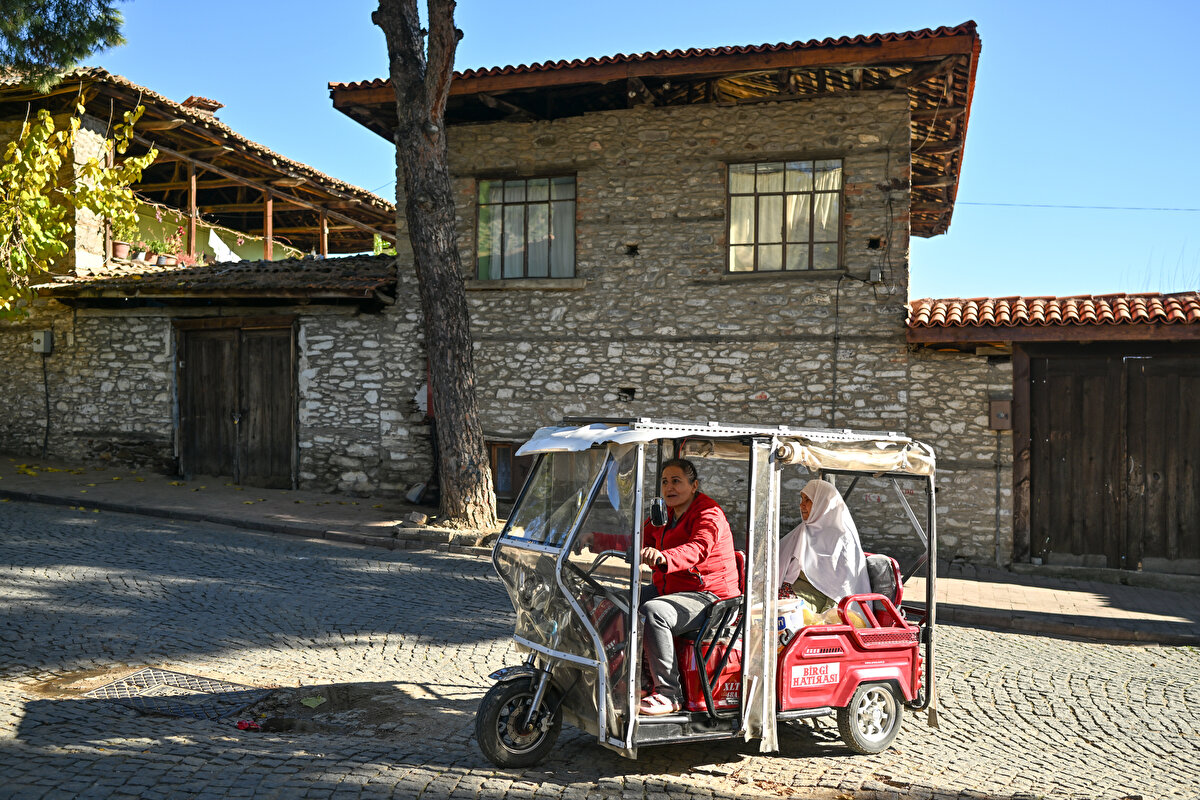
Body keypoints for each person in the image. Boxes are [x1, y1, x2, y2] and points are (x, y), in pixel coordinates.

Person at [585, 458, 739, 716]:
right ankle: (629, 678)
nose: (669, 487)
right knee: (611, 599)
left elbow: (698, 548)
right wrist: (594, 539)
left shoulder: (709, 513)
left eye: (677, 481)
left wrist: (665, 557)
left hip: (711, 597)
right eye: (665, 482)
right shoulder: (664, 514)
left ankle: (669, 694)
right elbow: (635, 538)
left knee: (654, 611)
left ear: (694, 485)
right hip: (672, 589)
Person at [777, 479, 870, 614]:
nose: (801, 505)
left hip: (814, 600)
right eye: (802, 499)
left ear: (823, 503)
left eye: (807, 500)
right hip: (789, 591)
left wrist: (825, 620)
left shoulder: (842, 540)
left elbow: (842, 590)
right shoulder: (803, 531)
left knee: (774, 614)